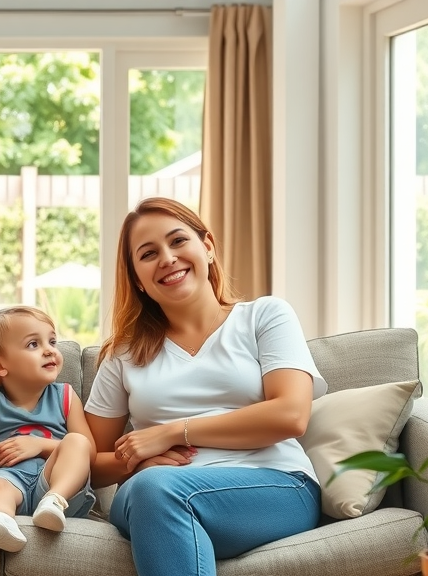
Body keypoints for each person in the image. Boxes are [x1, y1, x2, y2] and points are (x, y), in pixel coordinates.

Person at [84, 197, 327, 576]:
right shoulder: (122, 354)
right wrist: (134, 460)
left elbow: (291, 415)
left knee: (157, 490)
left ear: (208, 247)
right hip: (151, 495)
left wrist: (170, 432)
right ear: (137, 280)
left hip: (274, 485)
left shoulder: (265, 316)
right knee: (153, 489)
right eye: (148, 254)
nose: (167, 258)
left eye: (178, 241)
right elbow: (89, 465)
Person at [0, 306, 95, 552]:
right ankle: (2, 523)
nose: (49, 350)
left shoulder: (66, 396)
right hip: (9, 477)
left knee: (77, 441)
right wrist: (7, 449)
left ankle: (53, 502)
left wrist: (38, 445)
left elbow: (89, 452)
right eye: (33, 344)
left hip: (54, 481)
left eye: (52, 341)